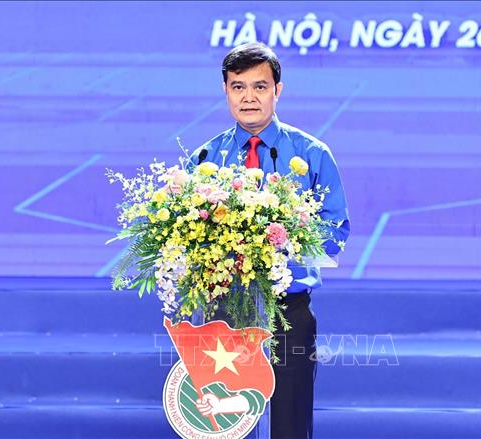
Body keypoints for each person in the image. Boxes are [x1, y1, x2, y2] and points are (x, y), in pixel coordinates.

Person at [190, 42, 350, 439]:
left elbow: (335, 230)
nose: (249, 97)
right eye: (238, 87)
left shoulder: (312, 154)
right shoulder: (205, 158)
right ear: (225, 91)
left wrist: (280, 247)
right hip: (224, 312)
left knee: (289, 421)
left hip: (286, 311)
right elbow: (187, 232)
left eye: (259, 87)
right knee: (224, 418)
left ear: (278, 90)